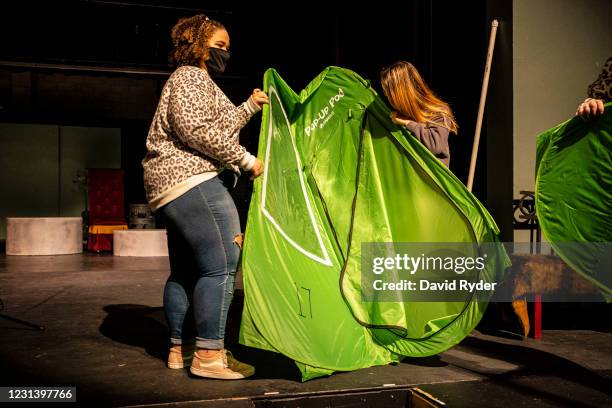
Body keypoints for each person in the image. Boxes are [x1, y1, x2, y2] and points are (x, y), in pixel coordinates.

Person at [141, 14, 268, 380]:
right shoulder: (190, 78)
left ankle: (181, 348)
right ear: (199, 44)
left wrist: (249, 106)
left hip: (171, 186)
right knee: (223, 263)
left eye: (228, 47)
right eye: (220, 45)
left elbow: (219, 126)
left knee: (185, 270)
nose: (225, 52)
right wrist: (246, 160)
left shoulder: (197, 82)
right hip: (191, 180)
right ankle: (210, 356)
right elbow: (196, 130)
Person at [380, 61, 458, 167]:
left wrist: (408, 123)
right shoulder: (397, 116)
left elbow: (434, 145)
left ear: (400, 92)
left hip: (430, 180)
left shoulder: (437, 112)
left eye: (388, 93)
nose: (387, 97)